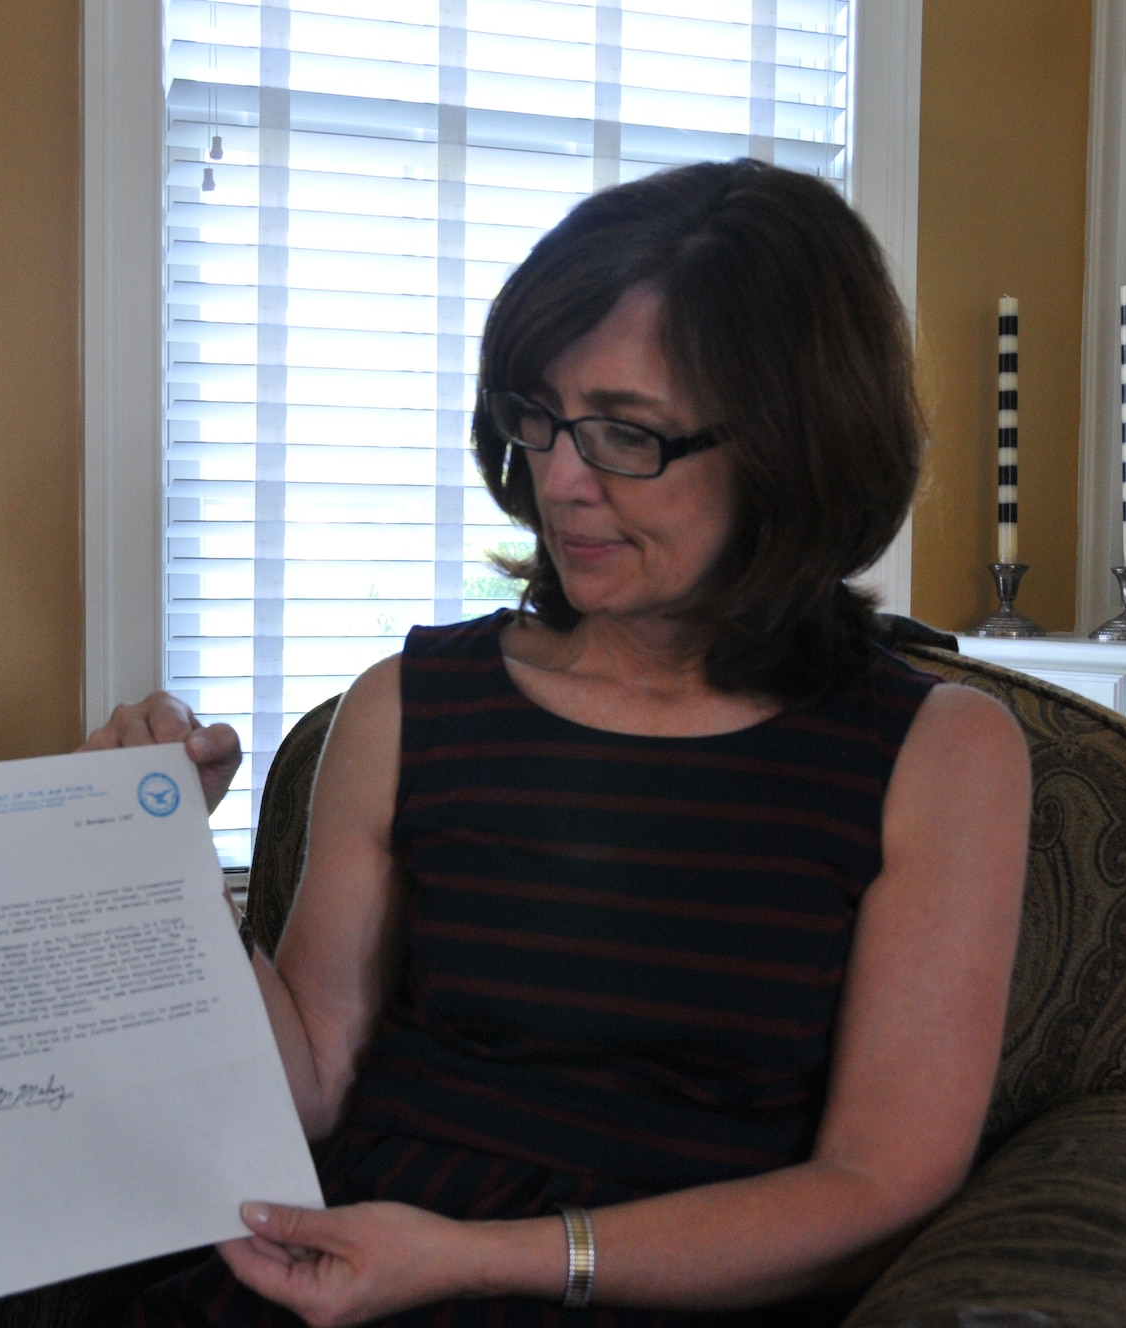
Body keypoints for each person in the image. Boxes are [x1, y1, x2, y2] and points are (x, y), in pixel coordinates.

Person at [86, 160, 1031, 1328]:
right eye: (536, 419)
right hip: (344, 1270)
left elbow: (874, 1186)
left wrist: (476, 1258)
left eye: (625, 435)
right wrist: (155, 865)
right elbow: (311, 1087)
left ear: (794, 446)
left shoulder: (939, 754)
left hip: (625, 1288)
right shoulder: (404, 705)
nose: (559, 482)